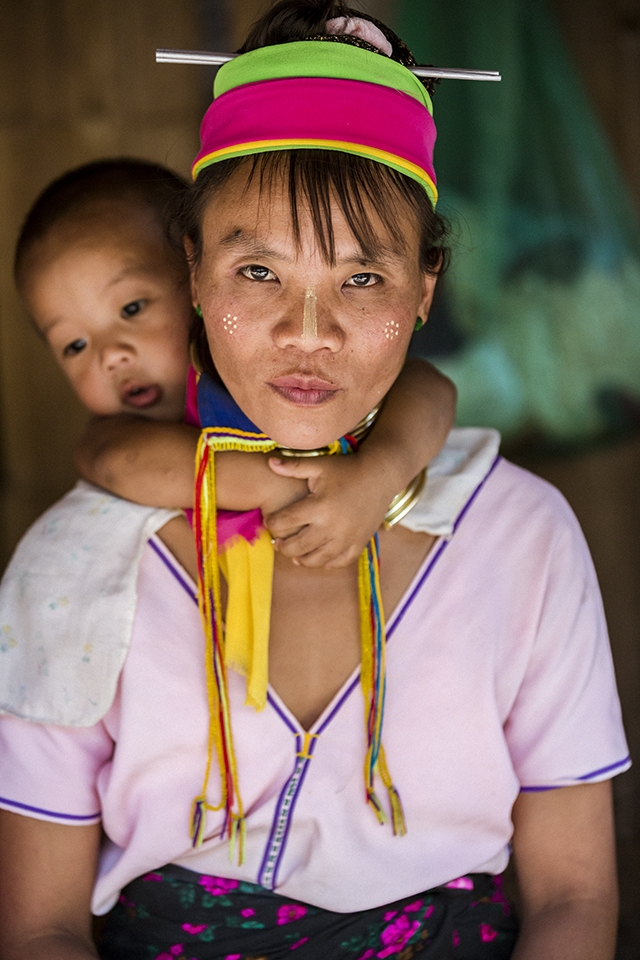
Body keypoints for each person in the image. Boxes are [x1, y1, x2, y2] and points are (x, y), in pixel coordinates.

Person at [0, 3, 629, 960]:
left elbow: (575, 902)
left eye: (363, 280)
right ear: (195, 272)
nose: (309, 332)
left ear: (425, 290)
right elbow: (39, 928)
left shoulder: (521, 538)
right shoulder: (70, 566)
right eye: (258, 270)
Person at [11, 157, 455, 567]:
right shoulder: (117, 435)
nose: (111, 356)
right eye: (74, 345)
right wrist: (280, 487)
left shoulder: (259, 353)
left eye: (131, 310)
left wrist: (376, 478)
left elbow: (432, 391)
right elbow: (115, 460)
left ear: (194, 281)